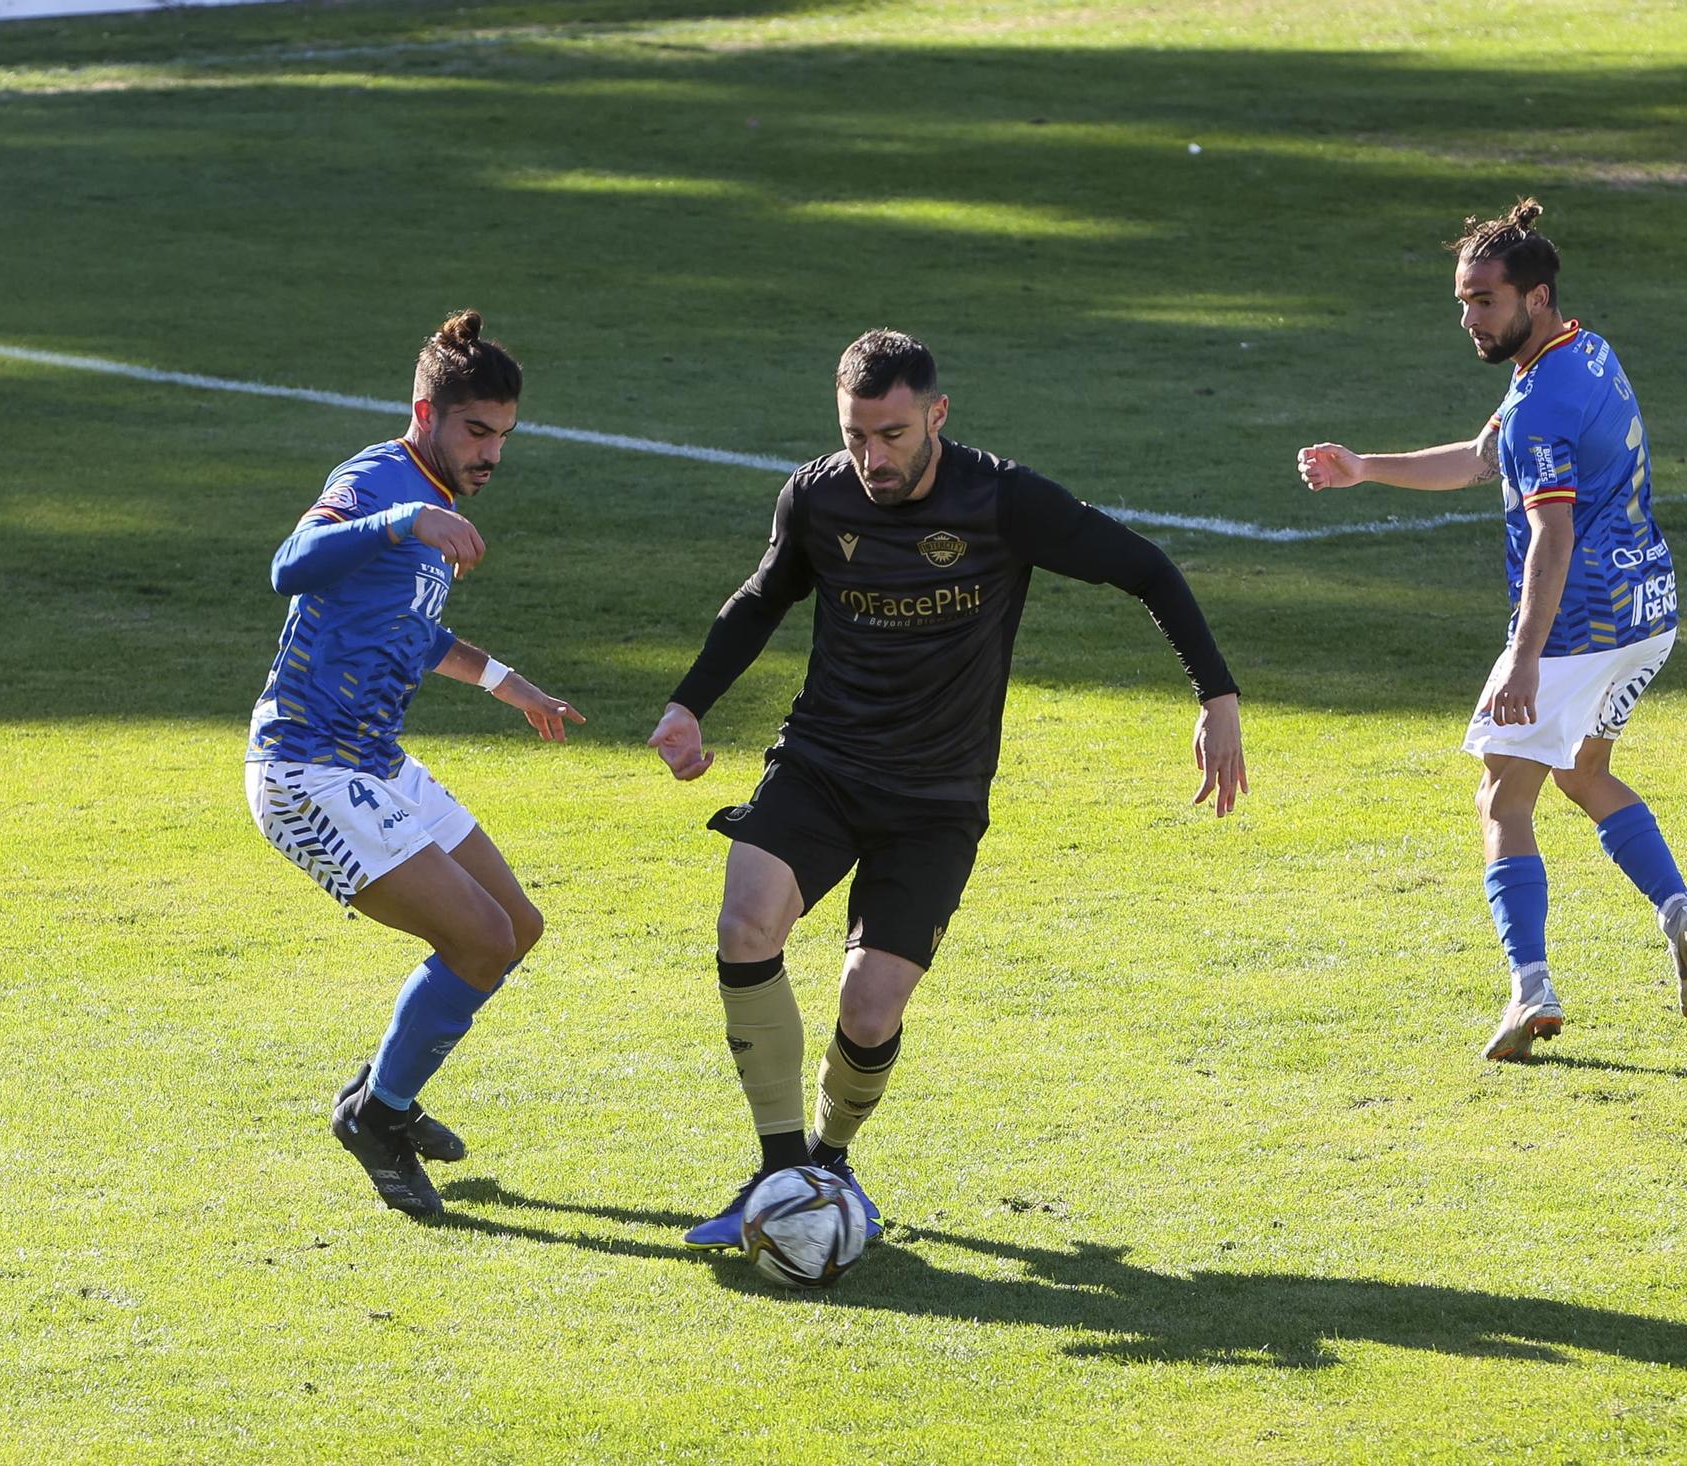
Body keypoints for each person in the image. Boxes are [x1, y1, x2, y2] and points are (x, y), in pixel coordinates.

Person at [649, 328, 1247, 1248]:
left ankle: (831, 1159)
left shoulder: (1003, 501)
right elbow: (764, 596)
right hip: (823, 762)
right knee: (745, 921)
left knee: (869, 1005)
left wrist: (1217, 696)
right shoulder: (817, 497)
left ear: (936, 415)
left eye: (890, 434)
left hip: (936, 797)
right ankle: (777, 1174)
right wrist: (690, 705)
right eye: (855, 435)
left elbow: (1146, 569)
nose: (871, 457)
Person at [1296, 199, 1687, 1062]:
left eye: (1482, 301)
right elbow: (1483, 454)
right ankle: (1685, 917)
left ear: (1533, 295)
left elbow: (1552, 535)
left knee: (1503, 796)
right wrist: (1365, 469)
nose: (1467, 318)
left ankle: (1530, 989)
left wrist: (1524, 660)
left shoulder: (1541, 405)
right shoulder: (1583, 353)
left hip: (1577, 628)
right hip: (1647, 614)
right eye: (1462, 300)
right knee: (1585, 771)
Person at [244, 310, 584, 1216]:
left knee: (516, 925)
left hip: (375, 761)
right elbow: (289, 566)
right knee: (474, 939)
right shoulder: (380, 480)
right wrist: (403, 518)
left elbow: (412, 634)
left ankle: (382, 1093)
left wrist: (513, 687)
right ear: (427, 411)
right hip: (306, 769)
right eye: (477, 431)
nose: (491, 456)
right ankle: (377, 1117)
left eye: (504, 437)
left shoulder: (434, 502)